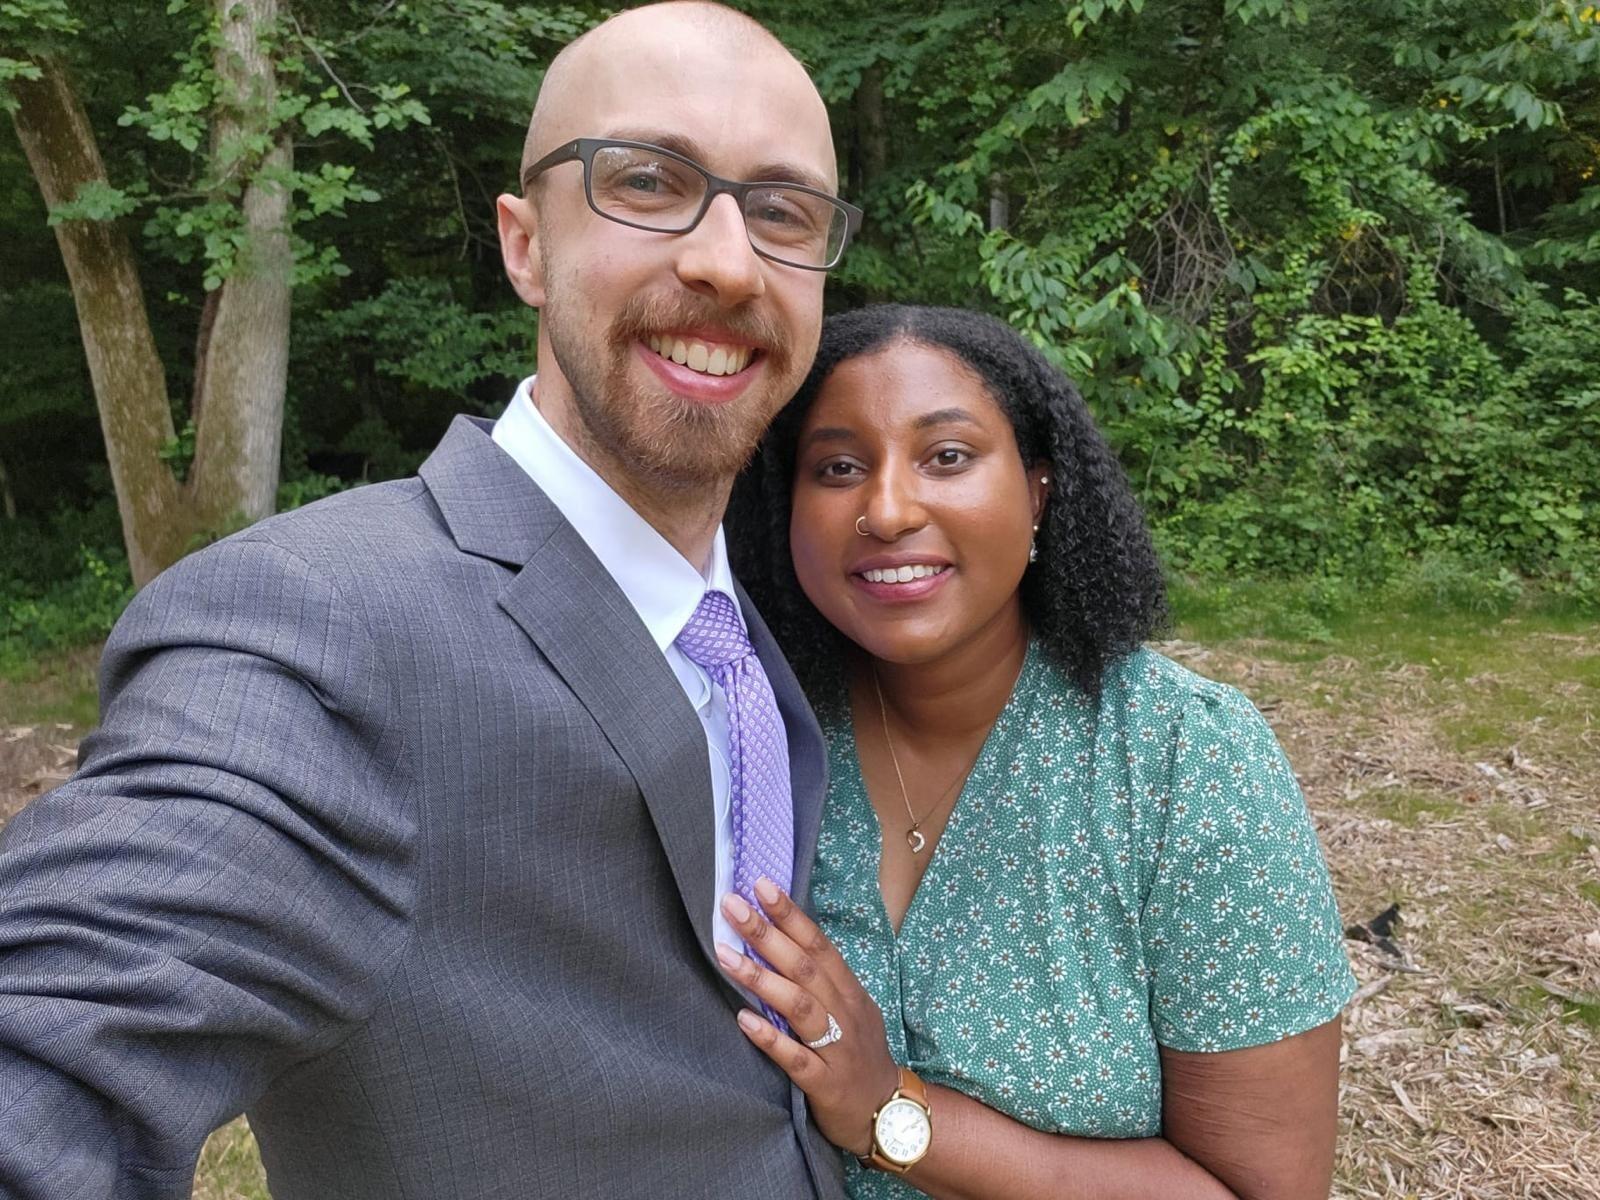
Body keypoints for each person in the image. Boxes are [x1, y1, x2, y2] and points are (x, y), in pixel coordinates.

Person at [0, 4, 864, 1197]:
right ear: (524, 245)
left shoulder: (757, 622)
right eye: (648, 182)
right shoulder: (313, 628)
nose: (725, 259)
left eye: (780, 210)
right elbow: (54, 1050)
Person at [719, 305, 1358, 1199]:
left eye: (947, 456)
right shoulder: (749, 733)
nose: (889, 508)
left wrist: (887, 1112)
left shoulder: (1181, 761)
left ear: (1039, 491)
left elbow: (1263, 1191)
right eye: (838, 467)